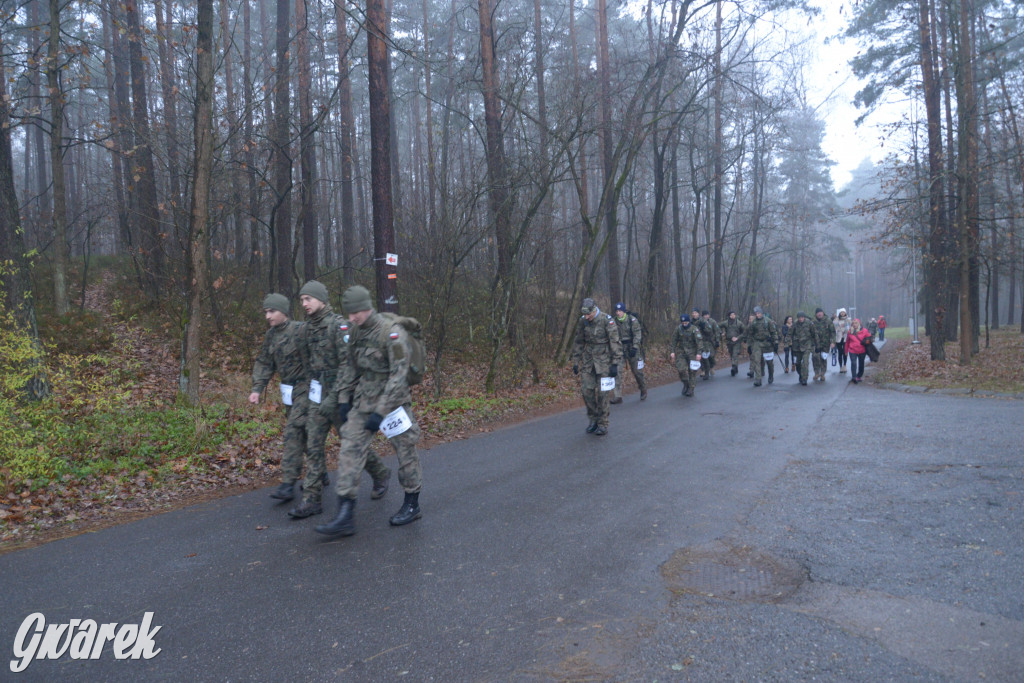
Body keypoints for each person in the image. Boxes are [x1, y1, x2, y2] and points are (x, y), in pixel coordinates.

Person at [316, 286, 424, 536]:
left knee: (405, 451)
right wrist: (343, 399)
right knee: (349, 449)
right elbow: (350, 367)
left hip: (393, 403)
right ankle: (345, 514)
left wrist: (381, 412)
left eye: (356, 312)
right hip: (364, 400)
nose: (352, 318)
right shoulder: (355, 332)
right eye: (349, 313)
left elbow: (398, 378)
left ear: (367, 307)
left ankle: (412, 503)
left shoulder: (392, 334)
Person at [293, 280, 391, 520]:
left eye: (309, 299)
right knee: (313, 445)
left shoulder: (340, 327)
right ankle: (312, 499)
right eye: (302, 300)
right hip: (317, 396)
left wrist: (338, 397)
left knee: (351, 443)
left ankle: (380, 473)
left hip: (339, 397)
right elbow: (307, 364)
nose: (304, 304)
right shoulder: (306, 329)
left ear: (322, 300)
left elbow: (349, 364)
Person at [249, 294, 312, 504]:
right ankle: (317, 472)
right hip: (289, 392)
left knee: (294, 430)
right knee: (305, 434)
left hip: (307, 387)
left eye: (272, 311)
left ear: (284, 312)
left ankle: (288, 483)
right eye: (266, 312)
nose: (268, 316)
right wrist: (257, 388)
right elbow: (265, 363)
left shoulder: (301, 330)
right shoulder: (271, 336)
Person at [570, 298, 623, 436]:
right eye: (585, 315)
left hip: (604, 362)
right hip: (588, 361)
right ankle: (593, 420)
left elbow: (615, 342)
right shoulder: (583, 321)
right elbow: (579, 341)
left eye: (589, 314)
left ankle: (603, 423)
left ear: (594, 310)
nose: (587, 317)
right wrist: (575, 361)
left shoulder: (607, 320)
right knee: (586, 391)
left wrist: (615, 363)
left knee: (602, 394)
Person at [611, 302, 647, 402]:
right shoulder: (613, 321)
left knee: (637, 371)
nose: (618, 313)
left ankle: (643, 388)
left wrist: (635, 347)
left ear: (624, 311)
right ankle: (617, 396)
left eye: (620, 311)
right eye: (617, 311)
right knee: (617, 371)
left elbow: (637, 334)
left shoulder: (632, 320)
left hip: (632, 347)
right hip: (620, 348)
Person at [743, 306, 778, 387]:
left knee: (769, 362)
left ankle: (771, 375)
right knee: (756, 360)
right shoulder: (753, 323)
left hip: (767, 344)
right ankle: (758, 379)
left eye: (759, 313)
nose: (757, 315)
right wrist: (749, 345)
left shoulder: (768, 321)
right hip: (757, 343)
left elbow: (774, 333)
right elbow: (750, 334)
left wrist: (775, 343)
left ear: (762, 313)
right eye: (756, 313)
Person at [670, 314, 702, 397]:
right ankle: (686, 383)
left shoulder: (694, 329)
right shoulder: (678, 329)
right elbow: (673, 340)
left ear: (689, 322)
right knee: (681, 369)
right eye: (683, 323)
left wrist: (699, 353)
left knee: (692, 371)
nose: (684, 324)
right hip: (681, 352)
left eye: (686, 322)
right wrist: (672, 351)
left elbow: (699, 342)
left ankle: (691, 388)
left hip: (692, 352)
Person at [789, 311, 814, 385]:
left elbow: (814, 333)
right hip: (797, 346)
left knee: (805, 363)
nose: (801, 319)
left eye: (802, 317)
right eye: (799, 318)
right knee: (798, 363)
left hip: (807, 345)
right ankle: (801, 374)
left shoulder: (809, 323)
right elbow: (789, 334)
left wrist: (815, 344)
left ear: (804, 317)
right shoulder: (795, 324)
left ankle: (804, 378)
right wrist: (787, 343)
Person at [846, 317, 872, 383]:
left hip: (862, 350)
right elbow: (847, 342)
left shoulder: (865, 330)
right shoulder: (850, 331)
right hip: (852, 350)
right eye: (853, 323)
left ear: (859, 324)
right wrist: (846, 351)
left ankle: (859, 376)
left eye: (856, 323)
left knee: (861, 364)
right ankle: (854, 377)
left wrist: (866, 342)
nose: (854, 325)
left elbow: (869, 339)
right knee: (853, 363)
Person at [722, 311, 745, 377]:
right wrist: (722, 332)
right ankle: (735, 367)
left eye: (734, 314)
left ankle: (733, 367)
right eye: (731, 315)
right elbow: (717, 326)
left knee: (735, 354)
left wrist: (738, 338)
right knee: (732, 354)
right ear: (729, 316)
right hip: (729, 342)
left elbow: (744, 331)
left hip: (737, 342)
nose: (733, 316)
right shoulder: (726, 323)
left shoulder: (739, 323)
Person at [811, 308, 831, 382]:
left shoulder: (828, 321)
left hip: (825, 343)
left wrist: (833, 342)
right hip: (815, 343)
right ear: (816, 314)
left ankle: (822, 374)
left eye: (820, 312)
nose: (819, 314)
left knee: (823, 358)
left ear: (823, 313)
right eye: (818, 313)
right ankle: (816, 373)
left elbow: (832, 332)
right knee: (815, 357)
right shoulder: (812, 322)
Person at [701, 310, 721, 378]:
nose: (706, 316)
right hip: (703, 342)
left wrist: (717, 341)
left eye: (707, 315)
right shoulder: (700, 322)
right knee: (704, 357)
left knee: (711, 356)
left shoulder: (712, 322)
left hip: (711, 341)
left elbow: (717, 331)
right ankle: (704, 371)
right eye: (704, 315)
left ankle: (712, 367)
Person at [833, 308, 851, 374]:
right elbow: (834, 329)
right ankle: (840, 366)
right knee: (840, 353)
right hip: (838, 338)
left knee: (845, 352)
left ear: (845, 313)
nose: (842, 313)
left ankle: (845, 365)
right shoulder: (836, 320)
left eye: (843, 312)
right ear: (839, 313)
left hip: (846, 337)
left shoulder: (848, 320)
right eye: (841, 312)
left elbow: (850, 328)